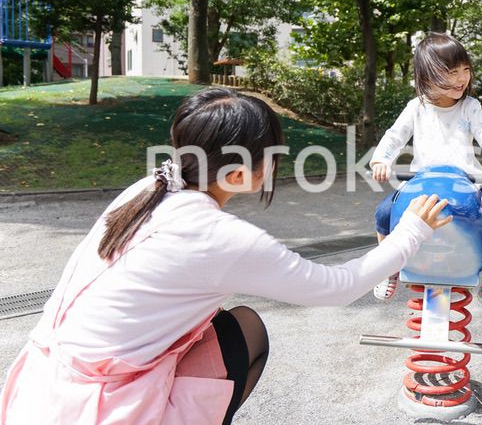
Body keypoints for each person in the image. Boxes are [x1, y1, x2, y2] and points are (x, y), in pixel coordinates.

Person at [0, 88, 451, 424]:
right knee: (247, 328)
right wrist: (411, 231)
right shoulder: (218, 237)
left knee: (219, 323)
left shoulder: (148, 189)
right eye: (272, 155)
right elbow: (335, 288)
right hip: (103, 410)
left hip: (39, 392)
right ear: (239, 172)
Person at [370, 32, 482, 307]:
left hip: (467, 183)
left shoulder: (470, 107)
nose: (461, 78)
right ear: (426, 77)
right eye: (451, 72)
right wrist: (381, 161)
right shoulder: (417, 108)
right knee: (384, 212)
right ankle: (388, 267)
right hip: (422, 185)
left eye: (465, 70)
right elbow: (394, 136)